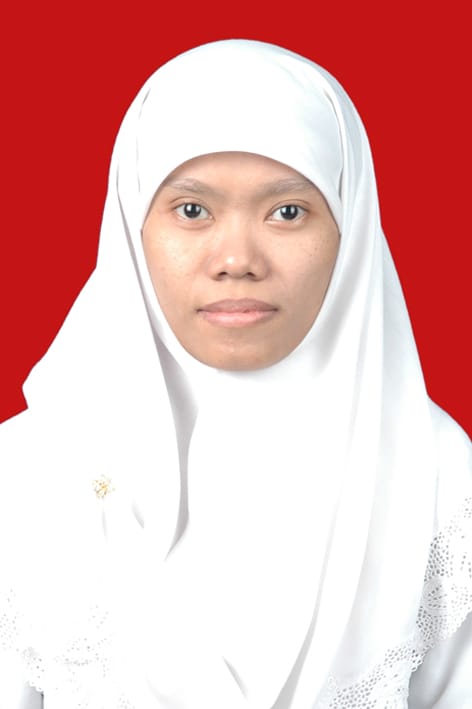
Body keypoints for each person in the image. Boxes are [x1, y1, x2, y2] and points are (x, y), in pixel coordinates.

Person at [0, 38, 470, 709]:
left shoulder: (439, 476)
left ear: (351, 227)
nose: (236, 259)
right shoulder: (29, 469)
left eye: (288, 212)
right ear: (134, 226)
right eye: (192, 210)